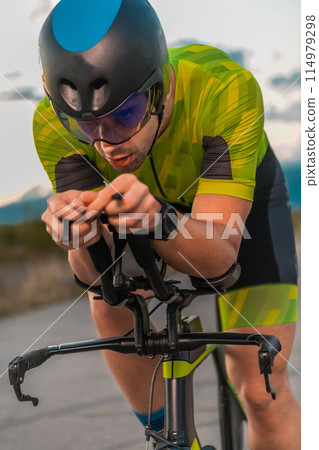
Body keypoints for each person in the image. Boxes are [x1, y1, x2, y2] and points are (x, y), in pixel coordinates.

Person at [33, 0, 300, 448]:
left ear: (163, 88)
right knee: (109, 294)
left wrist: (158, 219)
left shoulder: (224, 88)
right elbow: (91, 275)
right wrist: (74, 238)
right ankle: (170, 439)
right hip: (143, 210)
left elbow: (218, 260)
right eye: (83, 125)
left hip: (234, 214)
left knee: (261, 386)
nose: (105, 144)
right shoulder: (49, 123)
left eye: (125, 116)